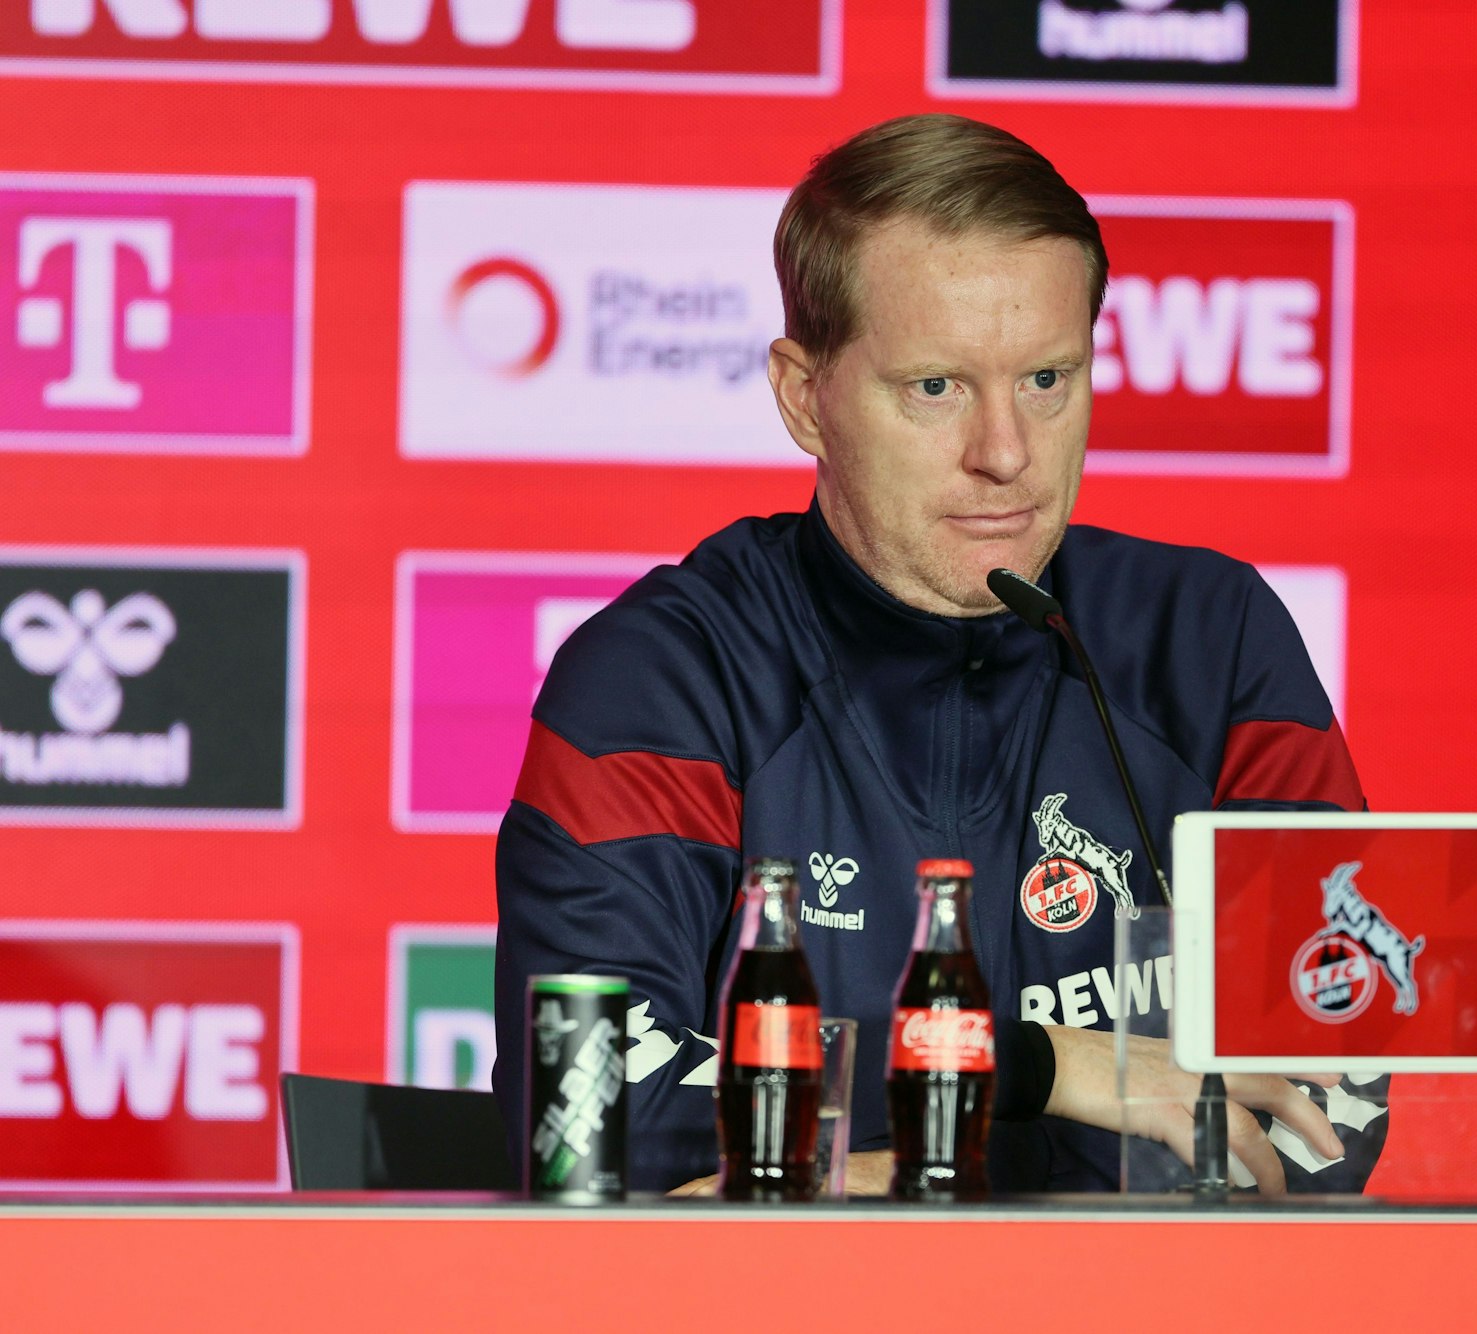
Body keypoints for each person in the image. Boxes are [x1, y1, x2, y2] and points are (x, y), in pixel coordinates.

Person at [494, 114, 1383, 1195]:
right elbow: (605, 1110)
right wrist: (1035, 1067)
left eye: (1048, 379)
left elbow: (1333, 1093)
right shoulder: (664, 674)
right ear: (802, 397)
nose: (1005, 452)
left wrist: (863, 1157)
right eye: (936, 387)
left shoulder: (1209, 641)